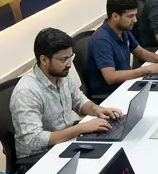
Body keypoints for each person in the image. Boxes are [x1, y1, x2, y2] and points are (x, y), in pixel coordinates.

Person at [11, 28, 124, 158]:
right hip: (41, 155)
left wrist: (98, 110)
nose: (69, 64)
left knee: (113, 148)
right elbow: (34, 140)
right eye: (64, 59)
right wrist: (81, 128)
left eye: (70, 57)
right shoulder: (26, 92)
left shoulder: (60, 75)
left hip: (66, 140)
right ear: (44, 60)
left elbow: (78, 100)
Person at [87, 0, 158, 100]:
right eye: (130, 16)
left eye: (135, 15)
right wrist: (147, 70)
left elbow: (140, 52)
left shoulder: (123, 30)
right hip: (111, 95)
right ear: (115, 16)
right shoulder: (101, 40)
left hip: (126, 84)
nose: (135, 20)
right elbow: (111, 77)